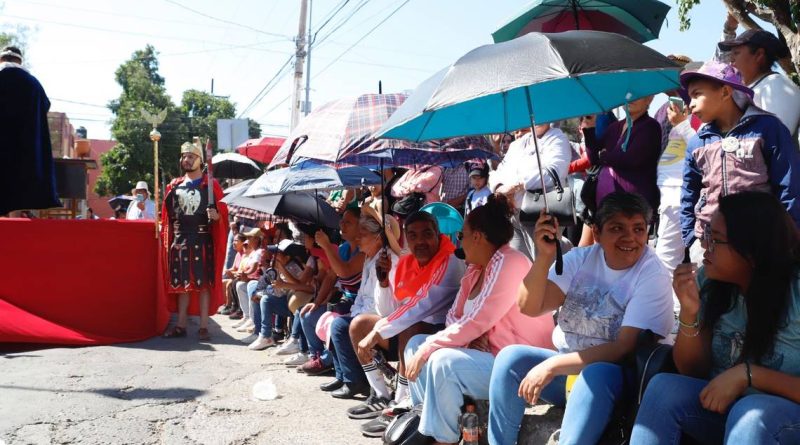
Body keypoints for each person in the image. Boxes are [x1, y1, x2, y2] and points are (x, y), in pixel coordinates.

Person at [489, 192, 674, 445]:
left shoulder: (653, 275)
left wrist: (552, 367)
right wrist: (543, 258)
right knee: (511, 358)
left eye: (638, 229)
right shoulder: (581, 258)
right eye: (617, 228)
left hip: (615, 378)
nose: (630, 237)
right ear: (597, 233)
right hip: (569, 370)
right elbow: (529, 306)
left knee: (595, 374)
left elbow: (625, 348)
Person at [631, 191, 800, 444]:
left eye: (715, 238)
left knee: (750, 415)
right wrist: (689, 312)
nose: (703, 246)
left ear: (751, 251)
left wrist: (749, 375)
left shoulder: (795, 292)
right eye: (706, 233)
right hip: (726, 412)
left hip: (784, 422)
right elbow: (693, 370)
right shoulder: (710, 283)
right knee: (663, 387)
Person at [403, 195, 555, 445]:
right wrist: (465, 339)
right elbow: (456, 318)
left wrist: (460, 338)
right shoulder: (475, 269)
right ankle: (423, 424)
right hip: (487, 356)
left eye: (462, 235)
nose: (459, 241)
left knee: (441, 360)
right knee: (415, 344)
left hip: (517, 366)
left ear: (478, 237)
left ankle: (443, 439)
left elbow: (477, 321)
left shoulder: (509, 261)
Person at [350, 211, 465, 437]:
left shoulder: (449, 261)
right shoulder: (406, 262)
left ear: (438, 235)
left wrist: (376, 334)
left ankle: (402, 402)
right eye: (412, 235)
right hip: (408, 326)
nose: (420, 241)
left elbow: (421, 304)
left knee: (409, 328)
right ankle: (381, 395)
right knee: (359, 325)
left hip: (438, 331)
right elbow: (388, 310)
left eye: (427, 234)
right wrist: (383, 283)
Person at [680, 61, 800, 262]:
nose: (689, 104)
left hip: (759, 240)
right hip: (709, 244)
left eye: (696, 94)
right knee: (711, 294)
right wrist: (691, 237)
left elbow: (788, 185)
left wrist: (791, 234)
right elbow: (689, 192)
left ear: (725, 92)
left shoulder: (768, 128)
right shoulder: (697, 143)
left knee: (758, 293)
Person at [160, 138, 228, 341]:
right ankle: (180, 325)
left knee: (203, 284)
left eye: (190, 156)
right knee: (181, 284)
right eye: (184, 156)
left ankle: (204, 326)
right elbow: (168, 215)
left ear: (200, 159)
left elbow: (223, 214)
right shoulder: (174, 185)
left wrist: (217, 217)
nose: (186, 160)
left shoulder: (210, 184)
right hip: (179, 239)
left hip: (201, 238)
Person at [327, 216, 400, 400]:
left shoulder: (390, 260)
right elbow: (360, 296)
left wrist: (383, 283)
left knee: (351, 325)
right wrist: (356, 314)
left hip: (390, 322)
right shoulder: (369, 260)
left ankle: (379, 393)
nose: (357, 239)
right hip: (368, 315)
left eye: (362, 235)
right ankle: (352, 379)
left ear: (378, 237)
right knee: (339, 323)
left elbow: (385, 310)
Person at [488, 124, 571, 260]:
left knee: (544, 269)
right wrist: (500, 188)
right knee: (519, 267)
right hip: (514, 216)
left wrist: (516, 185)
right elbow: (498, 173)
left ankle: (564, 249)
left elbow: (553, 173)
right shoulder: (518, 144)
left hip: (541, 215)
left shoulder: (558, 138)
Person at [0, 45, 61, 215]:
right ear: (20, 61)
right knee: (18, 205)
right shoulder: (33, 83)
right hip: (26, 156)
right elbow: (45, 106)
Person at [313, 208, 366, 389]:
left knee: (337, 323)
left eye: (348, 222)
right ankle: (340, 373)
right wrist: (316, 302)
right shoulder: (343, 248)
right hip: (348, 301)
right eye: (342, 221)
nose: (342, 225)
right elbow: (331, 276)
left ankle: (353, 379)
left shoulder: (365, 250)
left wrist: (327, 246)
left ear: (361, 227)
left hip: (362, 304)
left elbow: (344, 271)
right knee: (324, 316)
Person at [717, 24, 800, 141]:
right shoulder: (756, 87)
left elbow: (774, 140)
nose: (731, 60)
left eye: (736, 53)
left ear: (759, 55)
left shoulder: (777, 86)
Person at [583, 96, 662, 216]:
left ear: (649, 99)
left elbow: (630, 159)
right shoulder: (614, 127)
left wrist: (603, 156)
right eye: (627, 93)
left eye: (638, 94)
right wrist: (589, 129)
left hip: (633, 206)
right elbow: (594, 159)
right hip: (605, 203)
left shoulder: (650, 126)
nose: (631, 97)